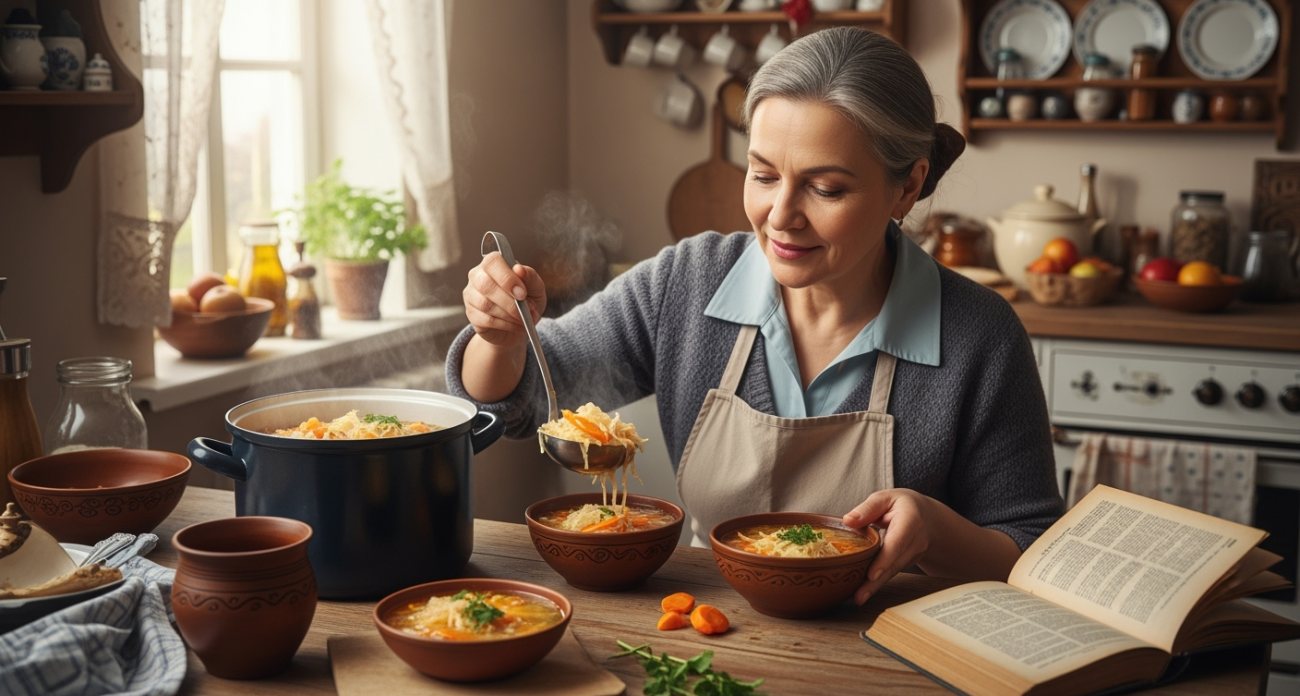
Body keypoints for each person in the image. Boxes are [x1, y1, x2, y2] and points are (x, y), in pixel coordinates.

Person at [447, 27, 1063, 604]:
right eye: (763, 174)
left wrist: (938, 531)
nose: (781, 215)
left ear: (906, 188)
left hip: (894, 652)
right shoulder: (686, 283)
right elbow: (526, 395)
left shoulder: (979, 334)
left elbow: (1032, 547)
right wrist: (500, 336)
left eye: (826, 189)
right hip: (712, 627)